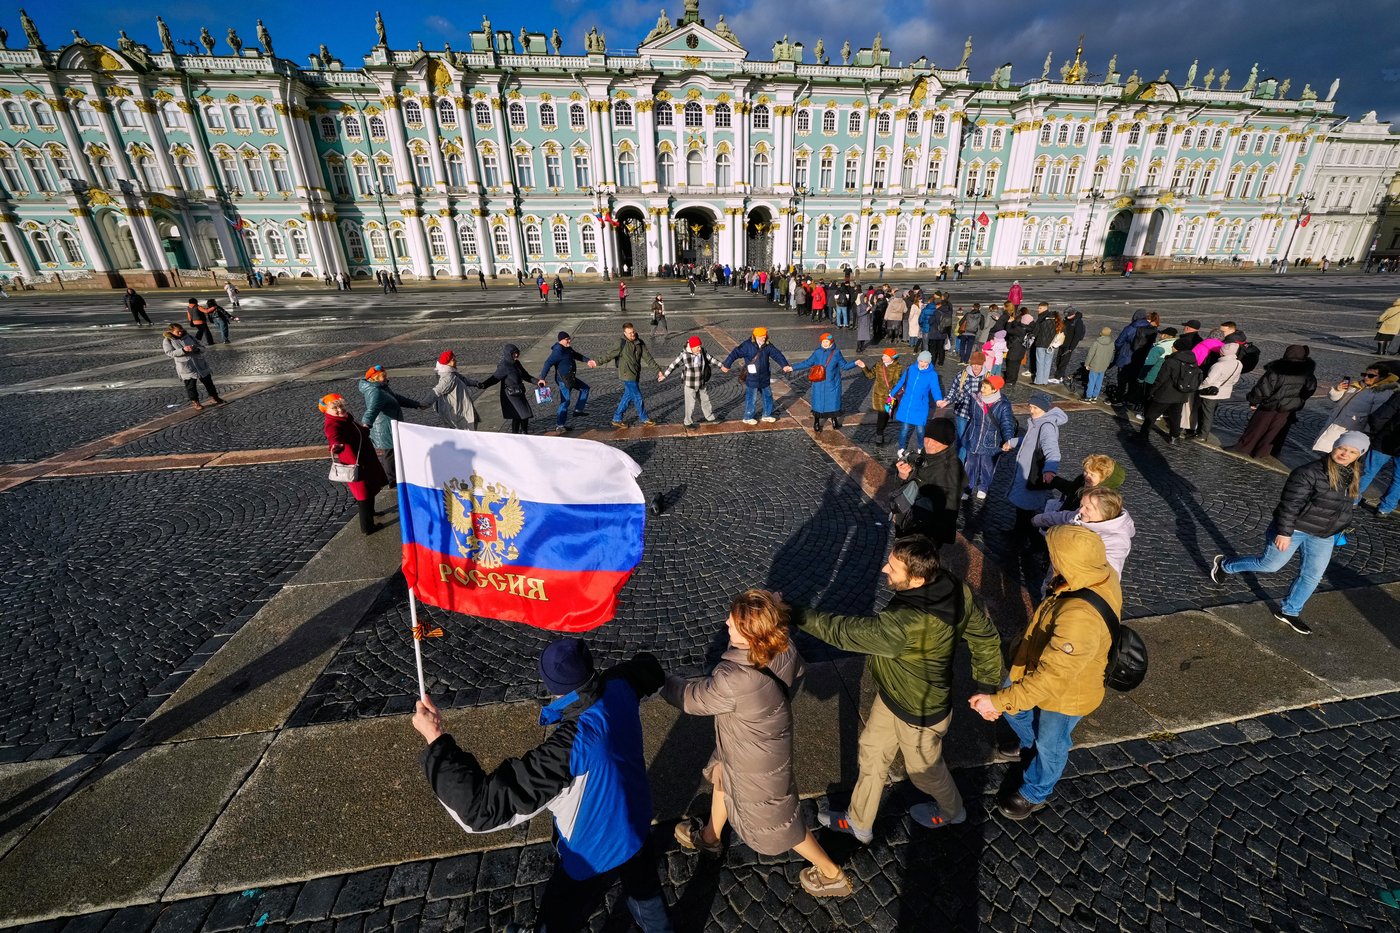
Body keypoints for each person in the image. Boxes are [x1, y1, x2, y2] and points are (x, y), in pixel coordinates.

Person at [413, 640, 674, 933]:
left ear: (553, 688)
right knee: (646, 896)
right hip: (635, 827)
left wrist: (435, 738)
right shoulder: (619, 686)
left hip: (590, 854)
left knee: (558, 918)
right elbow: (648, 668)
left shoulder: (568, 749)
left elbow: (479, 810)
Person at [796, 535, 1004, 842]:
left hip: (920, 713)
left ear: (918, 578)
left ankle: (953, 811)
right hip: (894, 695)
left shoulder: (903, 624)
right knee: (872, 752)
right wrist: (986, 683)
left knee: (925, 770)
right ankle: (859, 821)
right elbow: (985, 637)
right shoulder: (955, 589)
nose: (883, 569)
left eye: (892, 567)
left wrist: (790, 613)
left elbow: (841, 632)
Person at [663, 590, 852, 899]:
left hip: (754, 757)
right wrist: (772, 608)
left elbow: (692, 699)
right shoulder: (782, 644)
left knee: (777, 821)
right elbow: (797, 669)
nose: (726, 622)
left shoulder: (733, 677)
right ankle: (710, 837)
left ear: (751, 635)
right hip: (750, 741)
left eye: (734, 622)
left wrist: (661, 680)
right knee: (723, 777)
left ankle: (832, 875)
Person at [968, 525, 1118, 820]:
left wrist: (995, 702)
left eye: (1054, 554)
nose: (1049, 559)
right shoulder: (1095, 574)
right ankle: (1028, 746)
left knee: (1052, 743)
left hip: (1067, 693)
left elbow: (1053, 678)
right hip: (1040, 662)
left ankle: (1035, 790)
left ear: (1069, 560)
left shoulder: (1079, 617)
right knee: (1016, 710)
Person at [1211, 433, 1368, 634]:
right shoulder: (1308, 472)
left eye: (1352, 451)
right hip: (1295, 529)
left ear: (1359, 455)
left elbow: (1345, 505)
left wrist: (1340, 526)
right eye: (1342, 448)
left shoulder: (1354, 474)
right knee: (1270, 565)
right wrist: (1284, 533)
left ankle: (1290, 611)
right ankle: (1225, 565)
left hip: (1323, 535)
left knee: (1312, 575)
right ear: (1334, 447)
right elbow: (1290, 505)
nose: (1345, 454)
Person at [1229, 345, 1317, 460]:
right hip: (1288, 408)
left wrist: (1253, 400)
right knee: (1274, 431)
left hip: (1270, 405)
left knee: (1257, 427)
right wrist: (1298, 400)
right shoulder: (1307, 372)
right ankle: (1262, 452)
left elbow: (1263, 388)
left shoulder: (1277, 369)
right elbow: (1310, 389)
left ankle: (1244, 447)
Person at [1033, 485, 1135, 580]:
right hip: (1055, 577)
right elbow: (1063, 516)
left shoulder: (1116, 541)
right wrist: (1038, 520)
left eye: (1088, 508)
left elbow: (1110, 575)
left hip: (1074, 588)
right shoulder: (1081, 517)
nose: (1081, 510)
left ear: (1105, 513)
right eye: (1081, 505)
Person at [322, 393, 389, 534]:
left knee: (370, 487)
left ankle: (371, 512)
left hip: (365, 460)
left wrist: (364, 428)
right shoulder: (331, 424)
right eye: (335, 408)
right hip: (354, 463)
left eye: (340, 406)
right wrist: (335, 445)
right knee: (363, 493)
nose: (340, 410)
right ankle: (367, 527)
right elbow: (333, 437)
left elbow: (358, 431)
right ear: (327, 411)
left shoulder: (346, 418)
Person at [1005, 393, 1066, 543]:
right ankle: (1021, 534)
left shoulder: (1046, 427)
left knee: (1025, 510)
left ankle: (1022, 538)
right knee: (1023, 509)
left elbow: (1052, 451)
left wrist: (1050, 469)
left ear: (1044, 409)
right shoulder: (1037, 422)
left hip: (1031, 473)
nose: (1031, 410)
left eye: (1036, 408)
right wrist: (1012, 442)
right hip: (1026, 472)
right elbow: (1028, 440)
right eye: (1030, 406)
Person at [894, 419, 966, 546]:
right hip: (908, 524)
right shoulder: (921, 458)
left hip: (927, 535)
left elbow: (949, 509)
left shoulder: (952, 468)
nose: (929, 444)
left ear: (946, 443)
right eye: (927, 438)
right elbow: (901, 488)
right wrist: (902, 475)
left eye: (935, 441)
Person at [359, 364, 424, 485]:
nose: (386, 377)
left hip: (389, 425)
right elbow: (372, 410)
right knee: (389, 454)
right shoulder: (376, 392)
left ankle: (395, 476)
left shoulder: (382, 387)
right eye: (383, 376)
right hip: (385, 428)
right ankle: (391, 480)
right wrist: (365, 426)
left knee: (393, 452)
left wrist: (416, 404)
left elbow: (396, 398)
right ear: (374, 378)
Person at [1310, 363, 1398, 452]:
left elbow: (1376, 418)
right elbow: (1336, 399)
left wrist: (1365, 435)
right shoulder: (1357, 386)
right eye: (1364, 374)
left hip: (1351, 429)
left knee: (1338, 453)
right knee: (1328, 452)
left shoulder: (1382, 393)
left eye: (1371, 376)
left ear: (1381, 377)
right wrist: (1337, 390)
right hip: (1335, 423)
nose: (1366, 377)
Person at [791, 332, 866, 432]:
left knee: (833, 403)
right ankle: (816, 421)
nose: (825, 343)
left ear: (831, 342)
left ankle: (834, 419)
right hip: (819, 382)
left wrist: (855, 363)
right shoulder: (817, 352)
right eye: (823, 341)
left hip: (832, 383)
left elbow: (844, 366)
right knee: (818, 403)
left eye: (827, 341)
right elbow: (807, 363)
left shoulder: (836, 353)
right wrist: (792, 367)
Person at [597, 323, 663, 429]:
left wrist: (658, 370)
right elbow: (608, 355)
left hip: (635, 373)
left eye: (633, 332)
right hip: (626, 374)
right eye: (629, 333)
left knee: (627, 397)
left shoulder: (639, 343)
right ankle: (644, 418)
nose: (632, 334)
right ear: (625, 333)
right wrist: (596, 362)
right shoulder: (621, 343)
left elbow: (648, 358)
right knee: (638, 397)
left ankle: (617, 418)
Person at [723, 327, 792, 425]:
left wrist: (784, 365)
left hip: (764, 376)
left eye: (765, 336)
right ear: (755, 336)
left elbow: (777, 354)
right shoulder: (747, 345)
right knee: (752, 398)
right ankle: (747, 417)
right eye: (761, 336)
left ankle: (766, 415)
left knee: (768, 396)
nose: (764, 338)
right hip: (752, 377)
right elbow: (735, 353)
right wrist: (726, 365)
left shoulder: (767, 345)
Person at [1138, 339, 1201, 445]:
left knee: (1151, 415)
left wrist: (1152, 391)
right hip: (1181, 395)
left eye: (1173, 346)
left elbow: (1161, 379)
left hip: (1165, 394)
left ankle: (1143, 435)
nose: (1171, 348)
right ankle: (1174, 437)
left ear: (1176, 349)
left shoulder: (1171, 361)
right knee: (1176, 416)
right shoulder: (1193, 361)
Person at [963, 374, 1016, 500]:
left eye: (985, 387)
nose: (982, 389)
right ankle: (968, 487)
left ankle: (984, 487)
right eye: (982, 386)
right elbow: (971, 416)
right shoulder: (975, 398)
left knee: (987, 466)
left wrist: (1009, 440)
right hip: (973, 437)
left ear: (994, 390)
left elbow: (1007, 424)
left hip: (991, 441)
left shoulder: (1003, 405)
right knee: (970, 464)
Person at [888, 350, 944, 458]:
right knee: (904, 430)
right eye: (921, 361)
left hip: (920, 407)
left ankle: (920, 448)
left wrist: (938, 399)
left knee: (920, 430)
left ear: (929, 363)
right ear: (918, 360)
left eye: (925, 362)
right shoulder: (910, 369)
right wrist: (892, 394)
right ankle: (901, 448)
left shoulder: (932, 375)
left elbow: (935, 389)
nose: (922, 364)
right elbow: (901, 382)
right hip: (906, 405)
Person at [480, 344, 545, 434]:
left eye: (517, 353)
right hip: (511, 395)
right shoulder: (504, 366)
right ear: (508, 354)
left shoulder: (517, 363)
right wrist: (483, 385)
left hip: (519, 392)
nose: (516, 355)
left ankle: (522, 433)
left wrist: (538, 382)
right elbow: (494, 379)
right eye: (514, 353)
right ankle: (520, 433)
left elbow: (526, 376)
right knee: (521, 414)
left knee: (521, 414)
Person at [660, 336, 724, 427]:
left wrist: (721, 366)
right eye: (697, 347)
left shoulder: (702, 352)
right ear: (692, 347)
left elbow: (711, 359)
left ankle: (710, 417)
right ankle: (688, 422)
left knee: (705, 401)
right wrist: (665, 375)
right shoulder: (684, 355)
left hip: (701, 383)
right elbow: (673, 365)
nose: (700, 348)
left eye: (700, 346)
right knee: (690, 404)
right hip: (690, 384)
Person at [539, 331, 597, 431]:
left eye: (569, 338)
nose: (569, 340)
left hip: (571, 378)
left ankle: (578, 410)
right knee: (565, 402)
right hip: (563, 380)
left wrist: (588, 360)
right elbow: (547, 363)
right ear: (561, 340)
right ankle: (560, 425)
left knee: (585, 388)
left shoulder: (568, 349)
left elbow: (577, 355)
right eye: (567, 339)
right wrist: (542, 378)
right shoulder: (558, 351)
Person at [1192, 342, 1245, 442]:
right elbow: (1235, 380)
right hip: (1224, 392)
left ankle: (1202, 435)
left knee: (1207, 414)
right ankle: (1201, 432)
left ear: (1222, 353)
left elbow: (1209, 380)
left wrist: (1200, 387)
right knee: (1210, 411)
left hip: (1211, 393)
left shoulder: (1219, 365)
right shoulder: (1239, 363)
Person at [162, 323, 222, 410]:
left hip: (199, 364)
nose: (180, 333)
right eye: (177, 332)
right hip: (186, 366)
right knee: (191, 386)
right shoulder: (168, 340)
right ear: (171, 331)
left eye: (181, 331)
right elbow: (169, 353)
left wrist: (197, 349)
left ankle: (215, 397)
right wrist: (183, 350)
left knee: (208, 382)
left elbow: (202, 347)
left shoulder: (189, 336)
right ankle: (195, 402)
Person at [1360, 391, 1400, 515]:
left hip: (1386, 439)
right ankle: (1385, 509)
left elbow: (1381, 416)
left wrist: (1377, 431)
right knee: (1399, 479)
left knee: (1368, 471)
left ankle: (1352, 499)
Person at [943, 351, 989, 459]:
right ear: (970, 363)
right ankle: (960, 464)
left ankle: (971, 463)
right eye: (974, 364)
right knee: (962, 439)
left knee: (976, 439)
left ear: (983, 364)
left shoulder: (988, 377)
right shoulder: (962, 375)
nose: (976, 367)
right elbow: (953, 390)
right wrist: (947, 400)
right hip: (962, 412)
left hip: (979, 415)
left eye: (979, 364)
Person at [430, 350, 484, 431]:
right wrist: (423, 404)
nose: (456, 361)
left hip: (460, 407)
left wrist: (476, 383)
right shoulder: (448, 378)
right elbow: (436, 392)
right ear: (447, 363)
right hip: (458, 410)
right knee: (465, 431)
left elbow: (464, 380)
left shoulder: (453, 374)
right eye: (453, 360)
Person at [862, 348, 904, 447]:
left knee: (887, 415)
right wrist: (864, 367)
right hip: (879, 395)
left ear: (891, 358)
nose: (882, 357)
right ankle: (879, 434)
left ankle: (880, 430)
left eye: (885, 356)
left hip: (890, 396)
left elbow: (897, 382)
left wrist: (893, 392)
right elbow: (870, 375)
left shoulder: (897, 367)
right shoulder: (879, 365)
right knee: (881, 415)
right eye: (883, 355)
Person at [1052, 307, 1086, 383]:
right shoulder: (1066, 319)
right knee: (1058, 360)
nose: (1067, 317)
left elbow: (1077, 336)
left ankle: (1058, 377)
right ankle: (1060, 375)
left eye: (1068, 315)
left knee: (1064, 362)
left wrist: (1071, 348)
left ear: (1073, 314)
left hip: (1069, 345)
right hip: (1062, 343)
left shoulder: (1078, 322)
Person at [1029, 303, 1059, 385]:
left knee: (1040, 362)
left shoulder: (1041, 318)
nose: (1038, 310)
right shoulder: (1054, 318)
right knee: (1048, 363)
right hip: (1051, 344)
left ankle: (1038, 381)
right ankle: (1045, 381)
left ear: (1045, 308)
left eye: (1040, 308)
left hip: (1041, 343)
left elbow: (1036, 331)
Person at [1082, 327, 1114, 401]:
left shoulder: (1096, 342)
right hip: (1104, 365)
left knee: (1092, 381)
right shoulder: (1111, 343)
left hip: (1095, 365)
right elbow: (1110, 355)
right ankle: (1095, 396)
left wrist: (1087, 364)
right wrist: (1107, 364)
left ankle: (1088, 396)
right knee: (1099, 381)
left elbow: (1090, 354)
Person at [1003, 311, 1031, 388]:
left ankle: (1009, 381)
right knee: (1016, 366)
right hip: (1021, 351)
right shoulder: (1027, 329)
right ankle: (1013, 380)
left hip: (1014, 350)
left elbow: (1008, 330)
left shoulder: (1018, 329)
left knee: (1010, 366)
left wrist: (1009, 322)